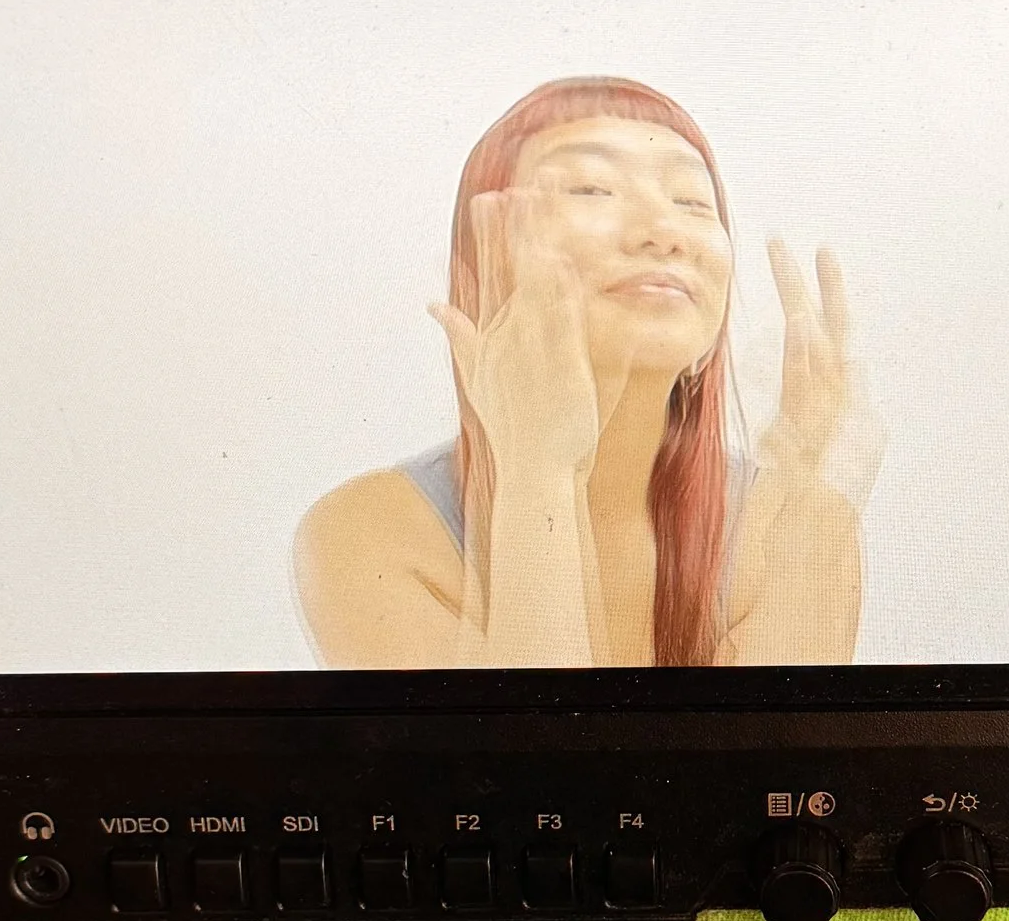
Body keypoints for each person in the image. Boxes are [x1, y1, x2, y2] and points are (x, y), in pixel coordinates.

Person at [294, 77, 875, 668]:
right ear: (488, 261)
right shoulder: (370, 532)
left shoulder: (791, 522)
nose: (664, 232)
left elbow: (776, 761)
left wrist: (812, 521)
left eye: (692, 202)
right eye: (592, 189)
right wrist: (537, 469)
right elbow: (531, 759)